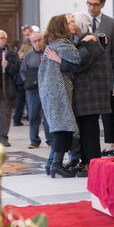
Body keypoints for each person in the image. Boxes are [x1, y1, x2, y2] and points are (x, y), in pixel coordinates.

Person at [64, 12, 109, 177]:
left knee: (90, 130)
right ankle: (85, 161)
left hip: (89, 93)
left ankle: (92, 162)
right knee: (84, 128)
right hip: (85, 93)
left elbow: (79, 63)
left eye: (72, 21)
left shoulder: (89, 41)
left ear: (80, 24)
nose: (70, 24)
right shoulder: (83, 41)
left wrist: (60, 61)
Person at [38, 14, 81, 178]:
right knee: (63, 129)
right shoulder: (62, 45)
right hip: (58, 92)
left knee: (60, 128)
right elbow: (79, 59)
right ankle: (56, 164)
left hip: (51, 91)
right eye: (68, 23)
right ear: (61, 27)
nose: (71, 25)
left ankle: (51, 163)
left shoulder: (52, 44)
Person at [86, 0, 114, 157]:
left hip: (104, 74)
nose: (91, 8)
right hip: (85, 74)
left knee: (107, 110)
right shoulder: (81, 21)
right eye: (89, 3)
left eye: (95, 4)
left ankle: (110, 143)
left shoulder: (110, 23)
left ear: (102, 4)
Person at [19, 32, 50, 150]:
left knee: (48, 116)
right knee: (33, 115)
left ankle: (50, 139)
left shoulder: (49, 52)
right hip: (33, 91)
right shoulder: (28, 55)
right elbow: (23, 71)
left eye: (39, 40)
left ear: (43, 40)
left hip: (47, 89)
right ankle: (34, 140)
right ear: (31, 43)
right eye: (35, 41)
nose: (38, 43)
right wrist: (28, 82)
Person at [13, 25, 34, 127]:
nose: (27, 37)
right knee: (20, 99)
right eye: (25, 35)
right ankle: (17, 119)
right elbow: (18, 58)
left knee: (31, 98)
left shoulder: (37, 43)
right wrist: (19, 56)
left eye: (28, 34)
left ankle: (32, 118)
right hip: (23, 76)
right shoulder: (23, 45)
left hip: (33, 75)